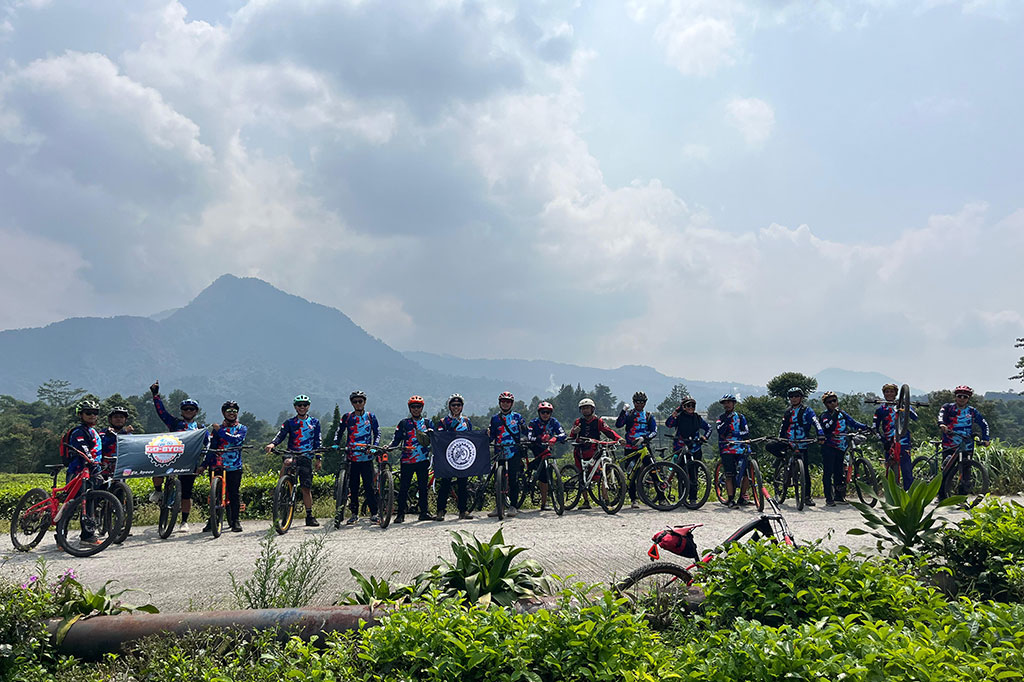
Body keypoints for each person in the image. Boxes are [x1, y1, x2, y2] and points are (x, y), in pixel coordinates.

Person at [149, 380, 203, 533]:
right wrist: (156, 395)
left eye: (192, 409)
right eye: (185, 409)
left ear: (196, 411)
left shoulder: (200, 428)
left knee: (186, 494)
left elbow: (208, 443)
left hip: (190, 462)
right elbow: (162, 413)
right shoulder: (175, 423)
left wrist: (204, 463)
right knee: (157, 469)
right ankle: (158, 490)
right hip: (172, 458)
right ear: (181, 411)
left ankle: (184, 521)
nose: (188, 411)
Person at [265, 394, 322, 527]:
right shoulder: (290, 423)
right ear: (295, 407)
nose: (302, 407)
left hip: (307, 456)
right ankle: (281, 487)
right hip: (292, 453)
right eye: (299, 405)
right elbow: (280, 435)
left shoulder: (314, 422)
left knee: (305, 488)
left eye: (305, 405)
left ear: (308, 407)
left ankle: (309, 515)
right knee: (287, 462)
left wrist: (318, 458)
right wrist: (272, 444)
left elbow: (318, 441)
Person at [766, 387, 824, 507]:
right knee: (769, 445)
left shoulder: (807, 411)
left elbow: (816, 422)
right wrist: (779, 438)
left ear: (801, 398)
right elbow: (783, 427)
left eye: (796, 396)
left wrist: (821, 435)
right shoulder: (788, 412)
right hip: (788, 441)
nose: (793, 398)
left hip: (802, 442)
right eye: (791, 396)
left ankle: (807, 496)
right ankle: (782, 459)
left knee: (805, 472)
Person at [335, 390, 380, 525]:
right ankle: (354, 514)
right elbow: (339, 431)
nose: (358, 404)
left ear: (364, 402)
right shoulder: (347, 417)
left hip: (366, 457)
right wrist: (336, 444)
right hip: (352, 457)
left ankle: (374, 513)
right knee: (353, 487)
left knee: (369, 487)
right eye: (355, 402)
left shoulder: (370, 417)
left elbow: (377, 433)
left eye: (360, 401)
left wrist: (374, 446)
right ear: (352, 403)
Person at [62, 400, 104, 543]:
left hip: (91, 471)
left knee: (90, 501)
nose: (92, 416)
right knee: (71, 504)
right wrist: (92, 461)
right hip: (77, 470)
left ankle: (87, 536)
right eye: (88, 413)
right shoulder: (78, 431)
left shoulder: (93, 432)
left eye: (95, 413)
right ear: (80, 415)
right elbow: (83, 449)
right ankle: (61, 537)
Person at [568, 398, 621, 510]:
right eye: (583, 408)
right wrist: (574, 432)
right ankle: (586, 501)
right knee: (581, 475)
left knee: (600, 476)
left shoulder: (598, 421)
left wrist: (619, 438)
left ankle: (606, 500)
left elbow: (609, 431)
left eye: (587, 408)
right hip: (580, 451)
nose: (585, 410)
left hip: (593, 451)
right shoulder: (578, 421)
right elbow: (572, 435)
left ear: (592, 409)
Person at [818, 391, 869, 506]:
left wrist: (866, 427)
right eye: (829, 402)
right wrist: (834, 415)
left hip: (841, 447)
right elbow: (827, 428)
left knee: (838, 471)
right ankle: (828, 498)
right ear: (825, 404)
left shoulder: (842, 413)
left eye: (834, 401)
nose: (832, 403)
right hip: (829, 446)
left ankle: (838, 496)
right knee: (828, 472)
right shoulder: (824, 416)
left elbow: (853, 423)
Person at [390, 396, 434, 524]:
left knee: (423, 487)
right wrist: (390, 447)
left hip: (423, 460)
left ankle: (424, 512)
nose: (416, 409)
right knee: (404, 487)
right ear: (409, 408)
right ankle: (400, 514)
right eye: (413, 407)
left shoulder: (428, 423)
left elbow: (435, 439)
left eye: (418, 406)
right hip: (407, 460)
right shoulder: (404, 423)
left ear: (422, 408)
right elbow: (396, 439)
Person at [205, 400, 247, 532]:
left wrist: (221, 431)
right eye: (229, 411)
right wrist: (204, 464)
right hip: (217, 466)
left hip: (234, 466)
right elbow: (212, 447)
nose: (232, 414)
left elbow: (236, 440)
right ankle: (213, 520)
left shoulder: (242, 428)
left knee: (234, 494)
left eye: (234, 411)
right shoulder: (216, 430)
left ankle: (235, 521)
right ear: (223, 413)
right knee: (215, 495)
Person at [435, 394, 475, 521]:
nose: (456, 407)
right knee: (445, 484)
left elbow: (472, 438)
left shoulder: (467, 422)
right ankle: (441, 510)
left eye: (458, 405)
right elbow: (439, 438)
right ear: (449, 407)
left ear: (462, 407)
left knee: (463, 484)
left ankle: (463, 510)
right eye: (453, 405)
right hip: (447, 458)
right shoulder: (443, 422)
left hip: (462, 459)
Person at [665, 397, 711, 505]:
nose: (691, 408)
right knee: (681, 474)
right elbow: (669, 424)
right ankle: (682, 497)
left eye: (693, 406)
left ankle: (693, 498)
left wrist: (704, 437)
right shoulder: (679, 418)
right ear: (684, 407)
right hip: (680, 448)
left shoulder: (697, 418)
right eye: (688, 406)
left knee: (693, 474)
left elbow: (709, 428)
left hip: (695, 448)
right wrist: (676, 412)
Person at [616, 391, 658, 509]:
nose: (639, 404)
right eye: (637, 402)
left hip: (644, 448)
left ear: (645, 403)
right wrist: (623, 411)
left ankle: (661, 497)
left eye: (642, 402)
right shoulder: (629, 414)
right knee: (631, 474)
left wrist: (645, 438)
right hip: (630, 449)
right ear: (633, 402)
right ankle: (634, 499)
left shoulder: (649, 416)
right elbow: (619, 424)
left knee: (653, 471)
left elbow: (654, 431)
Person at [488, 391, 527, 518]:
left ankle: (513, 506)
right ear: (500, 403)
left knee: (513, 479)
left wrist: (524, 429)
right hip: (500, 451)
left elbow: (526, 431)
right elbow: (492, 436)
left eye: (508, 402)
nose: (505, 404)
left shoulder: (517, 417)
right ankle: (499, 505)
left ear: (512, 404)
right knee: (498, 480)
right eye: (503, 401)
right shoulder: (495, 418)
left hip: (514, 451)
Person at [872, 383, 918, 490]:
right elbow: (875, 428)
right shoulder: (880, 410)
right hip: (889, 443)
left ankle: (908, 494)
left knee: (907, 470)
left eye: (892, 391)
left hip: (904, 441)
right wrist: (883, 441)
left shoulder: (903, 406)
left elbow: (915, 417)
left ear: (896, 393)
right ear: (883, 394)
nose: (889, 394)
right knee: (890, 472)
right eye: (887, 392)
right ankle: (891, 495)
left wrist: (905, 407)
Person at [526, 401, 567, 511]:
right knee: (541, 472)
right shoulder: (533, 423)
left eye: (548, 412)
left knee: (545, 474)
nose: (545, 414)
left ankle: (544, 503)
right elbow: (529, 437)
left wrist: (555, 438)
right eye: (543, 412)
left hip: (548, 448)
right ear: (539, 413)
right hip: (536, 448)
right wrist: (539, 439)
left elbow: (563, 434)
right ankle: (531, 476)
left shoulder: (554, 422)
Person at [938, 385, 991, 461]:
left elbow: (984, 425)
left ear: (968, 399)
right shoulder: (948, 407)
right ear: (955, 397)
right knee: (947, 470)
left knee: (966, 470)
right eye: (959, 396)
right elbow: (941, 415)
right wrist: (941, 424)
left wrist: (986, 439)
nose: (962, 399)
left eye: (965, 397)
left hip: (967, 446)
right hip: (949, 444)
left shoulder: (972, 411)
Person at [716, 394, 751, 509]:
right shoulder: (721, 418)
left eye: (729, 402)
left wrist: (736, 434)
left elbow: (745, 432)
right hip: (726, 449)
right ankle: (731, 499)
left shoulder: (740, 417)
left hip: (740, 448)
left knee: (746, 475)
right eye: (725, 403)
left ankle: (742, 497)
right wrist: (727, 420)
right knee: (729, 474)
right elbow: (720, 431)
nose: (727, 405)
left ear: (734, 404)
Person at [99, 406, 133, 478]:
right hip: (104, 470)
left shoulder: (129, 435)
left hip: (122, 470)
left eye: (121, 417)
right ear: (110, 419)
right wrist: (122, 433)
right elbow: (102, 444)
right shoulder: (103, 433)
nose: (119, 419)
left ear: (125, 420)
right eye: (115, 417)